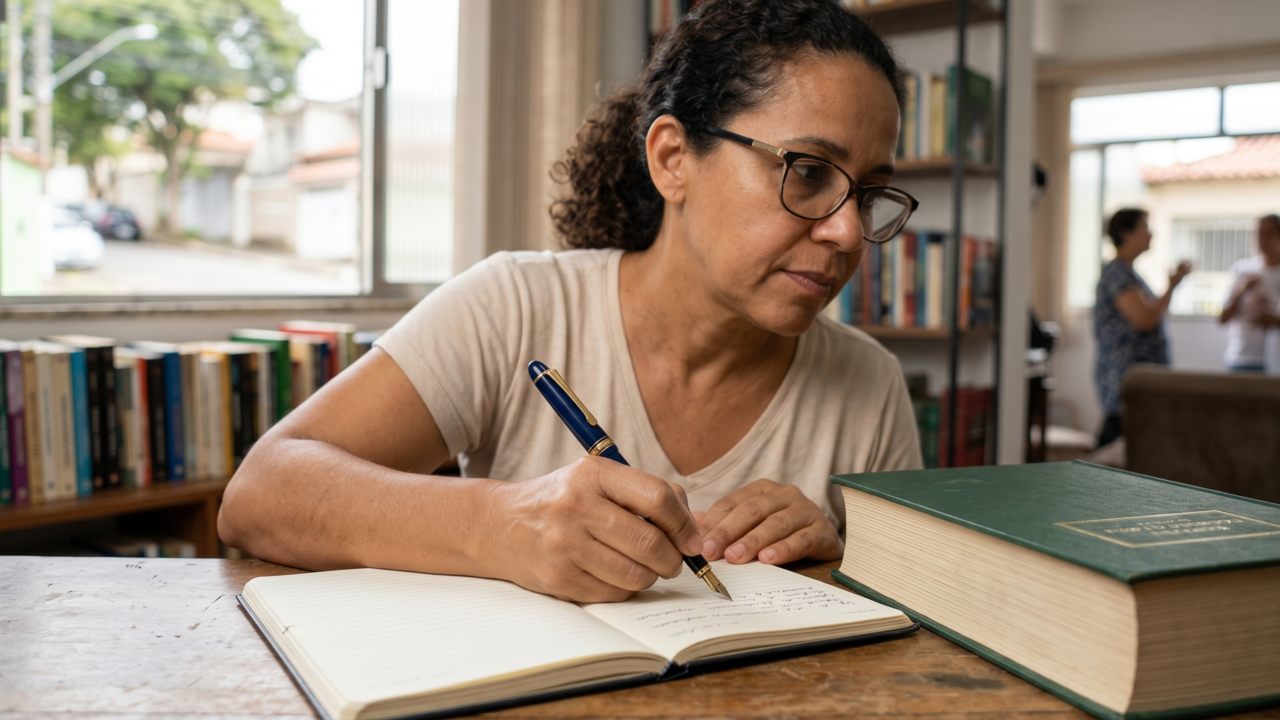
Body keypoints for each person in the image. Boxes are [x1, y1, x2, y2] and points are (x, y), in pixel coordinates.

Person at [217, 0, 923, 603]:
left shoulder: (870, 382)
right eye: (808, 172)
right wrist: (502, 523)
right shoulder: (515, 306)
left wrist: (837, 556)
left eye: (868, 194)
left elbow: (910, 611)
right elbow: (260, 496)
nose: (847, 233)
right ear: (673, 159)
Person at [1093, 209, 1192, 448]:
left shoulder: (1129, 273)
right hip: (1125, 375)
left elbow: (1151, 314)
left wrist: (1172, 286)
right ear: (1125, 233)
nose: (1151, 233)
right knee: (1116, 441)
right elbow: (1144, 320)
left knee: (1131, 441)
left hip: (1134, 375)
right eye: (1145, 227)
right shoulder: (1118, 273)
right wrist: (1172, 286)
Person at [1218, 214, 1280, 372]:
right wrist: (1240, 290)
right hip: (1240, 359)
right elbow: (1222, 319)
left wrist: (1272, 320)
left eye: (1270, 233)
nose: (1263, 240)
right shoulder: (1242, 269)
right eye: (1260, 233)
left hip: (1274, 365)